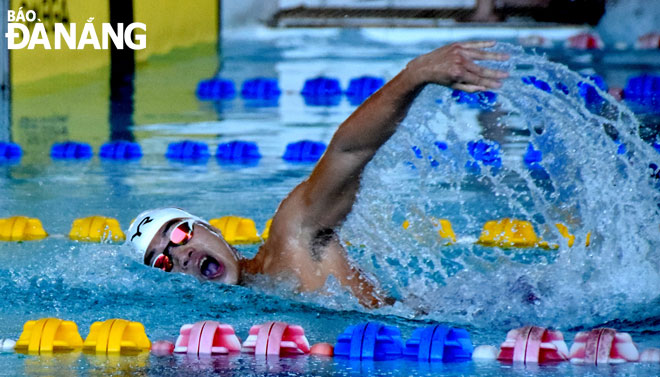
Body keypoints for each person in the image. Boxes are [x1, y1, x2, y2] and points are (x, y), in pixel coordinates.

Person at [126, 41, 509, 308]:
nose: (181, 255)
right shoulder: (216, 326)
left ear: (212, 229)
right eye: (162, 261)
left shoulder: (294, 238)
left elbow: (349, 151)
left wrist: (414, 75)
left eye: (178, 233)